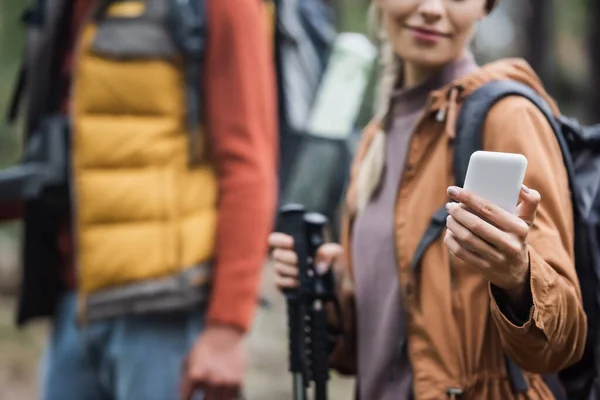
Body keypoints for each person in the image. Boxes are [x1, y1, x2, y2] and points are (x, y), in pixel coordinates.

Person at [269, 0, 587, 399]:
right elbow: (372, 352)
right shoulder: (373, 140)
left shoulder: (507, 117)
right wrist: (325, 286)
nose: (433, 9)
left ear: (485, 8)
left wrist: (518, 277)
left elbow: (564, 341)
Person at [0, 0, 276, 399]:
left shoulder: (220, 7)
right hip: (74, 307)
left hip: (167, 312)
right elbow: (77, 158)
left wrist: (226, 329)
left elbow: (248, 166)